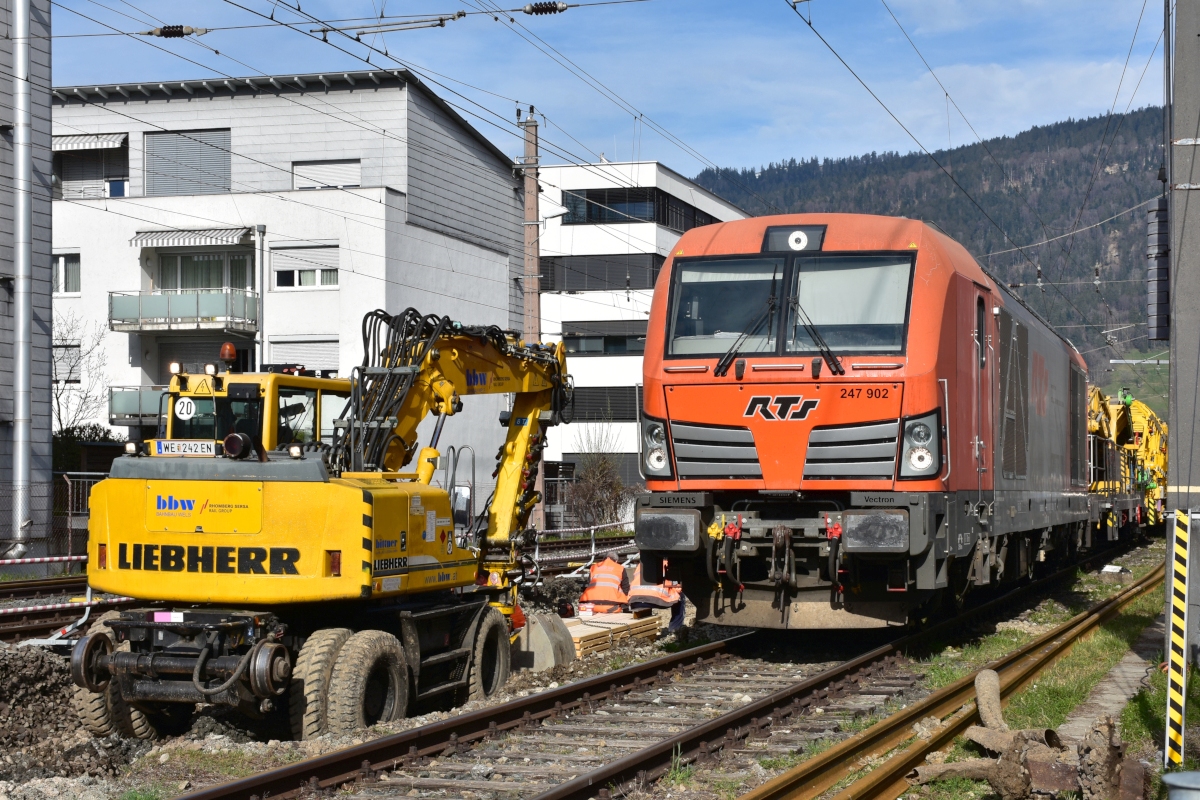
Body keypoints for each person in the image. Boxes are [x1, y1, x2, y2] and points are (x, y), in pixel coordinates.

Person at [628, 559, 685, 632]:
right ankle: (675, 628)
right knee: (680, 597)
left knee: (646, 601)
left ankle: (643, 629)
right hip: (656, 598)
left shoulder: (641, 564)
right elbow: (677, 586)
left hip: (635, 599)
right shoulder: (668, 563)